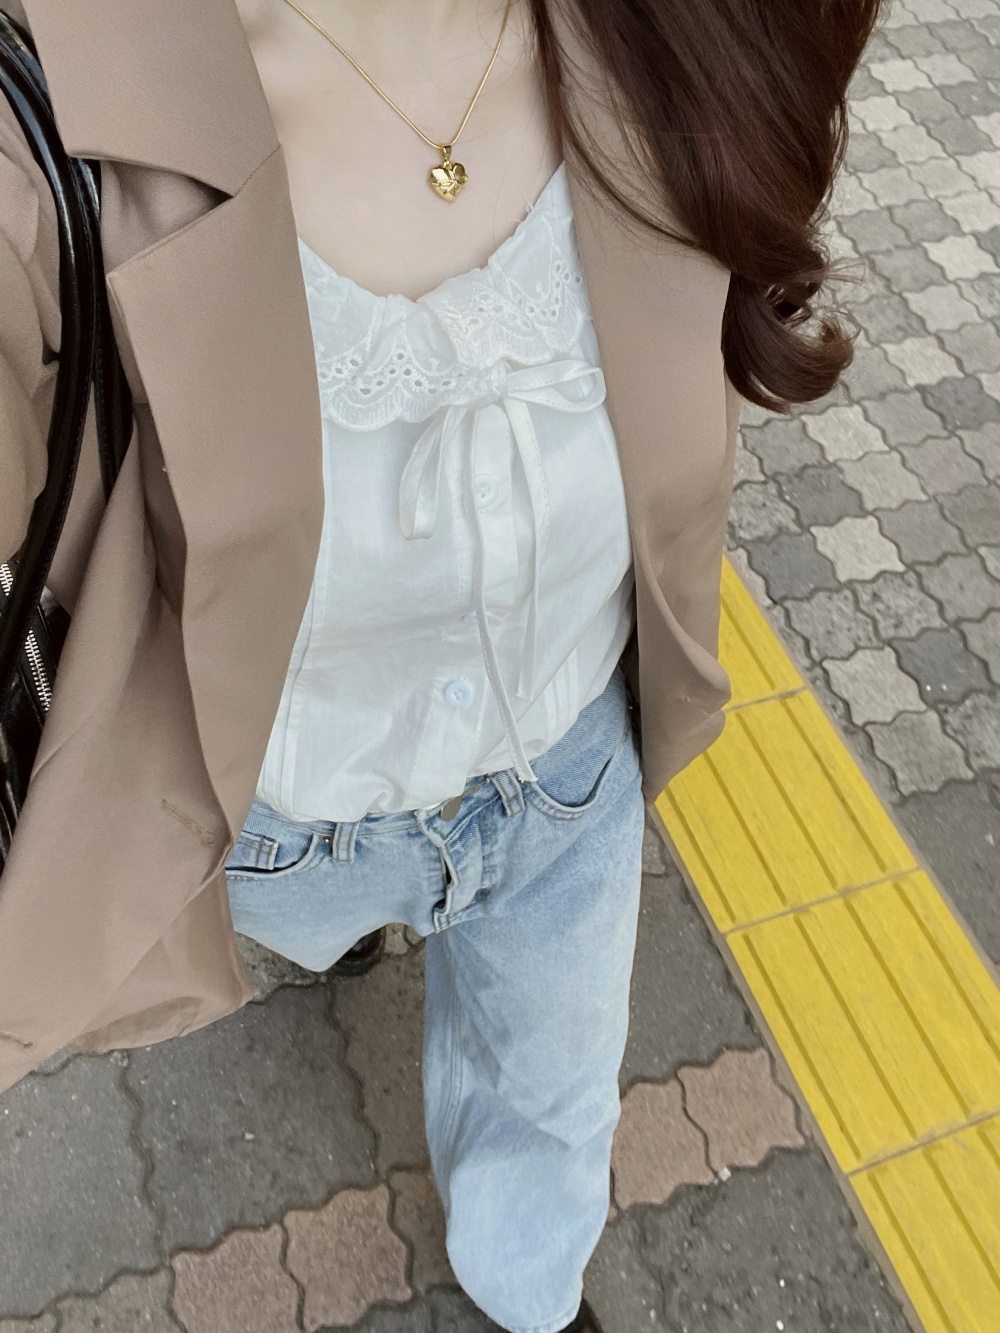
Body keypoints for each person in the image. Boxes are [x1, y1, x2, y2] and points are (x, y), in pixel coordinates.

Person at [0, 1, 883, 1329]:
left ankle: (530, 1290)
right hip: (264, 832)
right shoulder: (61, 96)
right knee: (305, 952)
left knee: (553, 1090)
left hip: (570, 776)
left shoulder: (684, 31)